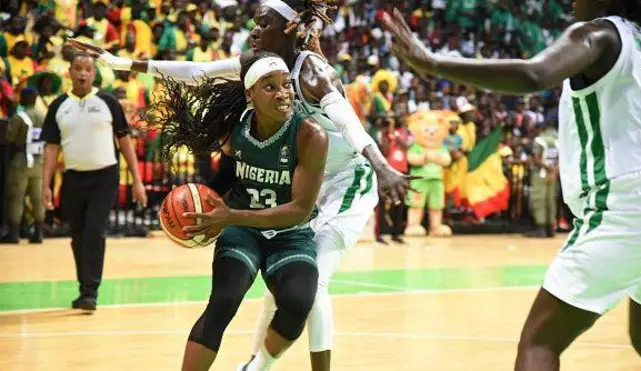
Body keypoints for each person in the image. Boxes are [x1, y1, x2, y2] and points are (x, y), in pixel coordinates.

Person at [67, 1, 416, 369]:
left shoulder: (313, 72)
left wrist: (381, 166)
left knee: (314, 289)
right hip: (308, 178)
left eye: (262, 23)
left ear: (289, 28)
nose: (253, 30)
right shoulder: (259, 64)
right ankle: (254, 365)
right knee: (279, 293)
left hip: (347, 179)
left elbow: (348, 123)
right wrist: (118, 62)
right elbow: (198, 71)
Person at [382, 2, 641, 370]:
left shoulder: (599, 34)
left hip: (628, 203)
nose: (571, 2)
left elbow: (534, 74)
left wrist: (432, 62)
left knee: (540, 343)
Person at [146, 51, 328, 371]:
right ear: (250, 95)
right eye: (269, 87)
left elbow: (300, 211)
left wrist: (230, 216)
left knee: (298, 303)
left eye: (286, 84)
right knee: (223, 302)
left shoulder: (310, 135)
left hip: (290, 235)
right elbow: (224, 179)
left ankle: (256, 366)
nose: (283, 93)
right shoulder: (236, 129)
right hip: (242, 233)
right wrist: (198, 213)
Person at [41, 53, 147, 311]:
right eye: (78, 68)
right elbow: (51, 148)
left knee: (94, 231)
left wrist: (137, 179)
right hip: (73, 178)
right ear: (70, 71)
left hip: (104, 178)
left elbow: (124, 142)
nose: (83, 74)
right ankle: (83, 289)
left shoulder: (107, 102)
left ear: (93, 73)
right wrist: (45, 184)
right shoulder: (58, 106)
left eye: (88, 69)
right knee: (76, 235)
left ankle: (91, 291)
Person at [1, 87, 45, 244]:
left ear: (24, 99)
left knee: (16, 197)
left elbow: (9, 138)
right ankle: (39, 232)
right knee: (37, 198)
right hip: (39, 161)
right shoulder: (43, 116)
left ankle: (13, 234)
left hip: (21, 160)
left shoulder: (20, 117)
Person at [525, 120, 559, 238]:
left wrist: (548, 169)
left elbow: (537, 159)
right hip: (553, 175)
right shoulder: (558, 140)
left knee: (539, 200)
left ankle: (541, 229)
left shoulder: (539, 140)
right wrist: (554, 171)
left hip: (541, 174)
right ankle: (551, 229)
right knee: (551, 201)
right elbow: (561, 159)